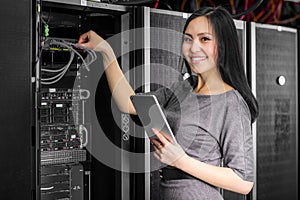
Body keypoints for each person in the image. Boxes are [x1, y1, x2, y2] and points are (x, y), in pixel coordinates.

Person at [78, 6, 258, 200]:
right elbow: (128, 104)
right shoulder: (182, 89)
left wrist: (181, 161)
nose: (193, 47)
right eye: (188, 39)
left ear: (223, 45)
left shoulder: (232, 104)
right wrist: (106, 51)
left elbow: (243, 182)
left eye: (204, 39)